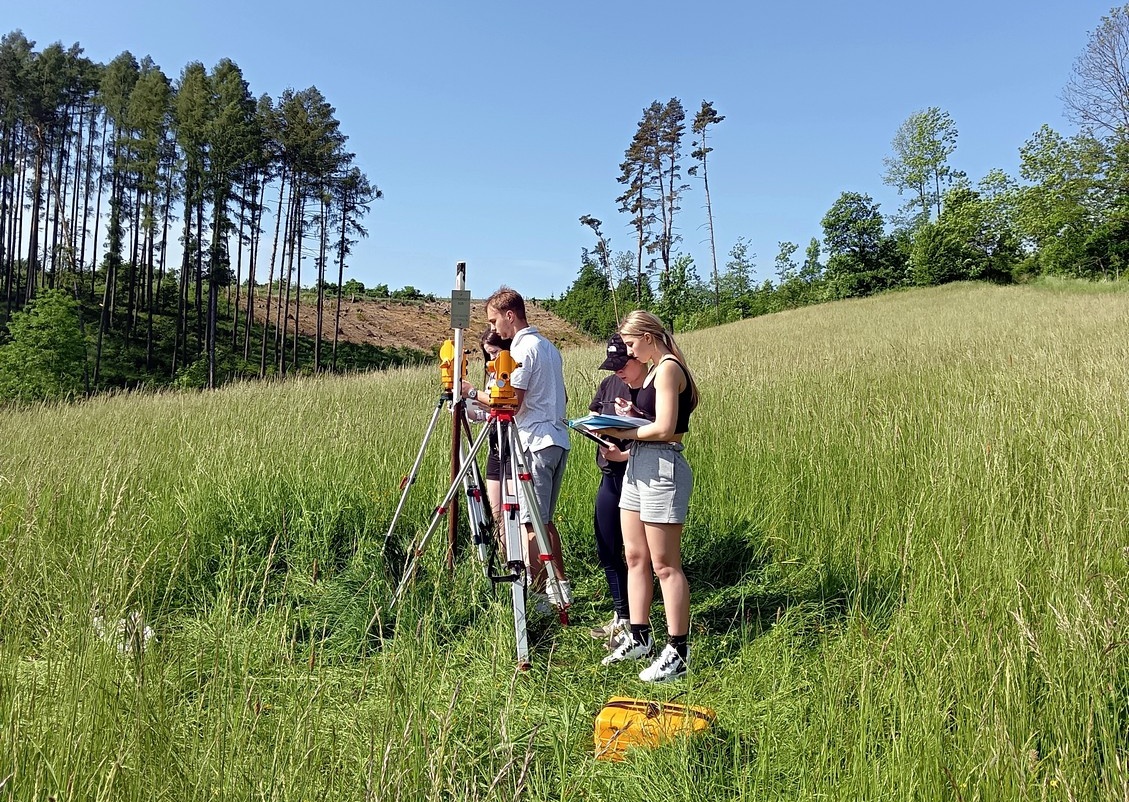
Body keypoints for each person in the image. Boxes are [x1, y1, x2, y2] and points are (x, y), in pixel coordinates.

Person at [598, 310, 699, 683]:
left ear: (648, 336)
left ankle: (678, 649)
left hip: (662, 468)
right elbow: (653, 419)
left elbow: (667, 428)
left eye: (630, 343)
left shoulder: (670, 368)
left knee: (665, 564)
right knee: (634, 555)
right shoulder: (654, 370)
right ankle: (638, 635)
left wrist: (625, 432)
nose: (628, 351)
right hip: (640, 465)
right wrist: (633, 413)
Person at [477, 286, 572, 606]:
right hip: (556, 440)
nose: (493, 329)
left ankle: (535, 597)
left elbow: (510, 403)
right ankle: (559, 587)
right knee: (544, 521)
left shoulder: (520, 351)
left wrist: (472, 393)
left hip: (533, 442)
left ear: (509, 315)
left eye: (493, 321)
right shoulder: (548, 347)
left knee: (531, 525)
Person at [587, 333, 650, 649]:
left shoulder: (648, 387)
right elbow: (593, 414)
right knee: (606, 543)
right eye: (613, 365)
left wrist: (624, 450)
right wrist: (594, 429)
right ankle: (620, 615)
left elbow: (660, 434)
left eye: (622, 363)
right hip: (609, 473)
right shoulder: (610, 384)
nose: (617, 371)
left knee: (636, 553)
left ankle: (639, 625)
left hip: (637, 475)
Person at [462, 329, 511, 543]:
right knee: (497, 510)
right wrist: (465, 407)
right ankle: (503, 556)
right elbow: (487, 412)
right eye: (488, 354)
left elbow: (501, 404)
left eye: (495, 352)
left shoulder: (512, 370)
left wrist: (472, 393)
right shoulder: (493, 374)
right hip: (495, 443)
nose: (492, 359)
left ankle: (519, 562)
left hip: (511, 441)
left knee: (513, 512)